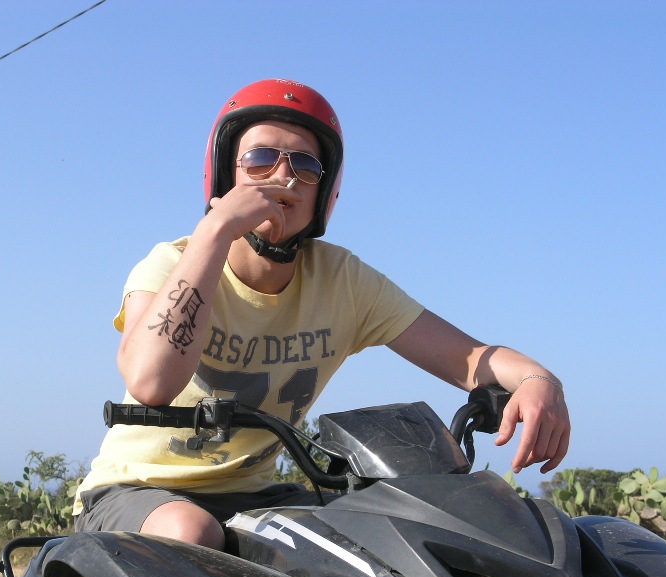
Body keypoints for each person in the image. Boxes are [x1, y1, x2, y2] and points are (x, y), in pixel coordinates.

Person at [73, 78, 569, 549]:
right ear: (226, 174)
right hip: (137, 491)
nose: (283, 175)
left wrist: (538, 381)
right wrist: (216, 230)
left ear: (323, 190)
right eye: (260, 158)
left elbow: (470, 359)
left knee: (381, 539)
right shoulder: (173, 264)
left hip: (255, 498)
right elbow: (151, 383)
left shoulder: (342, 281)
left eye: (305, 166)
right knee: (191, 530)